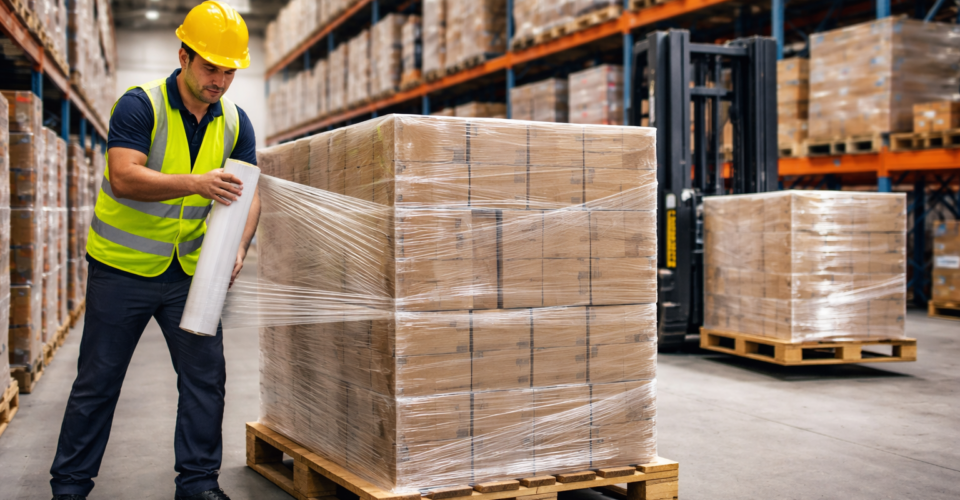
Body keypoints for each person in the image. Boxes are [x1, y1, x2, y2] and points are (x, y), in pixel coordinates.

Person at [49, 2, 260, 499]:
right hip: (121, 270)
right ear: (184, 56)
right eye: (211, 68)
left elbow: (250, 194)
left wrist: (239, 247)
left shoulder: (234, 122)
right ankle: (71, 486)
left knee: (205, 381)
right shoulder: (139, 104)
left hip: (190, 273)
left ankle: (198, 483)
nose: (220, 81)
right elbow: (123, 177)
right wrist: (197, 184)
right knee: (98, 383)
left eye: (229, 71)